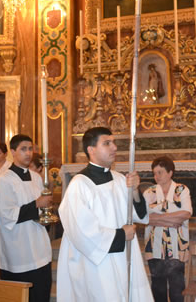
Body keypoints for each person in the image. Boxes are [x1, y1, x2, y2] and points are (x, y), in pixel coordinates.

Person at [57, 127, 153, 302]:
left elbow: (137, 216)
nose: (114, 147)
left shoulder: (119, 179)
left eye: (114, 142)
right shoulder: (79, 185)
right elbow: (81, 231)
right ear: (91, 150)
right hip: (96, 264)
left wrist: (135, 191)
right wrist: (122, 234)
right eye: (107, 143)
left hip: (122, 256)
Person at [0, 134, 53, 302]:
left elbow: (42, 209)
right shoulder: (4, 181)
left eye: (30, 149)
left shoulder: (36, 177)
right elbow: (7, 216)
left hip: (39, 248)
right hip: (18, 251)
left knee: (41, 295)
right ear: (12, 151)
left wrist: (45, 210)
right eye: (23, 149)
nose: (28, 153)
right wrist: (37, 204)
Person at [143, 156, 192, 302]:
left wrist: (157, 219)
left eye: (160, 172)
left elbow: (186, 213)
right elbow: (143, 218)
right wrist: (171, 221)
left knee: (177, 289)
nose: (156, 176)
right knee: (158, 288)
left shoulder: (181, 190)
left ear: (170, 173)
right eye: (154, 173)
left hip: (178, 245)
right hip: (154, 245)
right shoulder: (149, 192)